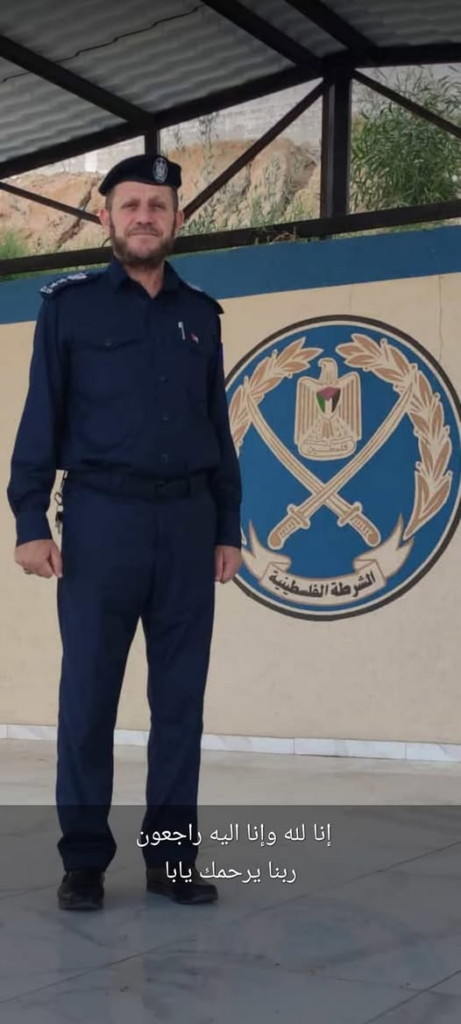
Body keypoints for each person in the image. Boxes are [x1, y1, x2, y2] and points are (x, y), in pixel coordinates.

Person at [6, 153, 242, 911]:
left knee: (180, 705)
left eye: (159, 206)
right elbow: (41, 415)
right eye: (132, 204)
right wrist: (30, 518)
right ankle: (83, 861)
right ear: (105, 217)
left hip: (188, 525)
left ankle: (170, 860)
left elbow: (218, 430)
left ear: (177, 219)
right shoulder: (69, 308)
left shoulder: (200, 315)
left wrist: (228, 527)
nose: (146, 216)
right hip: (102, 522)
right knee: (88, 699)